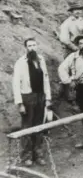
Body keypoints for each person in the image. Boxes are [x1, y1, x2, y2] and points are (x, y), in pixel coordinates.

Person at [13, 38, 52, 166]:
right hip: (27, 97)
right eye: (29, 46)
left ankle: (38, 154)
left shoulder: (41, 60)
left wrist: (48, 98)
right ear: (26, 47)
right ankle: (26, 157)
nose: (32, 48)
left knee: (39, 126)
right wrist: (20, 103)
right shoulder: (20, 62)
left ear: (37, 46)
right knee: (27, 127)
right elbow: (16, 83)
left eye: (34, 45)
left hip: (40, 96)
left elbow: (46, 79)